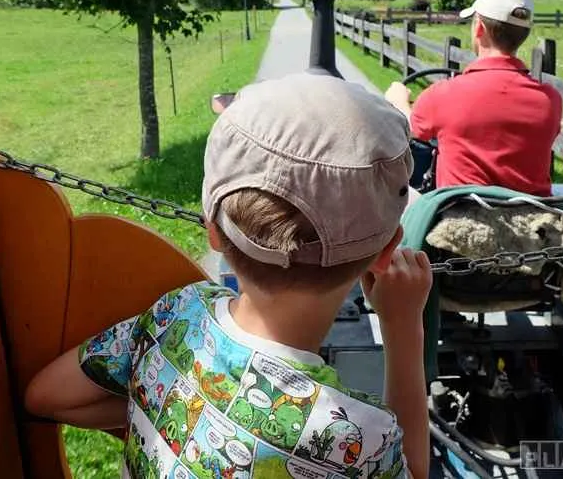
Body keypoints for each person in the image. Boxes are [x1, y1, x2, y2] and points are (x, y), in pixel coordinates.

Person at [24, 73, 433, 479]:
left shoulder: (177, 317)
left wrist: (175, 412)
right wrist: (403, 328)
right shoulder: (352, 436)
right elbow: (413, 471)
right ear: (386, 250)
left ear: (214, 231)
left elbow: (47, 397)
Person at [384, 0, 562, 197]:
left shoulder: (444, 94)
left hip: (461, 219)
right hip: (531, 219)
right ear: (523, 34)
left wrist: (399, 101)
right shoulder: (550, 100)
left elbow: (410, 128)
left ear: (479, 27)